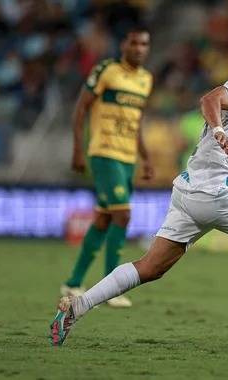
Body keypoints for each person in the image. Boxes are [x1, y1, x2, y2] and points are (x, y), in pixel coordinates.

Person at [50, 35, 228, 346]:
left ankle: (77, 307)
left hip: (189, 191)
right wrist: (216, 129)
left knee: (151, 267)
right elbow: (209, 100)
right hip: (217, 193)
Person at [62, 24, 154, 308]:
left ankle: (74, 283)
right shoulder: (106, 70)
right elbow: (81, 108)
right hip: (103, 153)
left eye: (144, 44)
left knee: (104, 219)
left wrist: (145, 156)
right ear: (124, 44)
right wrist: (78, 149)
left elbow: (136, 122)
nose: (139, 49)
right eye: (134, 43)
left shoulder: (146, 79)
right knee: (123, 215)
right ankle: (110, 289)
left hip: (127, 158)